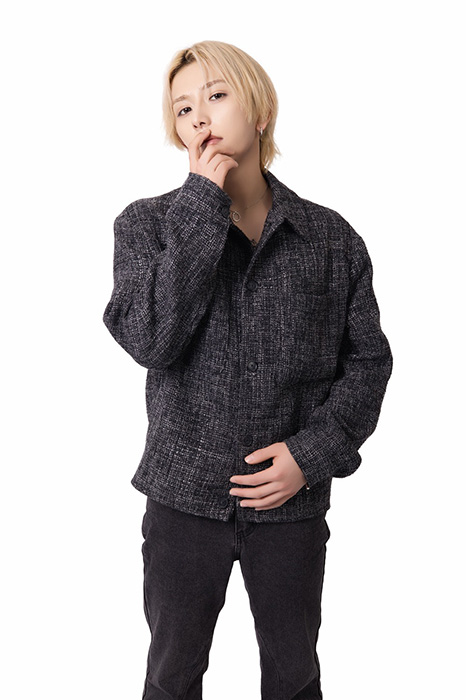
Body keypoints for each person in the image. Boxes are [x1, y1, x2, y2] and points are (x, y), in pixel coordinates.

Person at [102, 40, 392, 700]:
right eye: (183, 108)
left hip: (290, 506)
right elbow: (151, 338)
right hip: (182, 502)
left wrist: (309, 457)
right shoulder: (146, 226)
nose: (199, 117)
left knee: (295, 678)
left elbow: (368, 364)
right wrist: (201, 206)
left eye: (216, 95)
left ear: (260, 111)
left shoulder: (331, 239)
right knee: (171, 678)